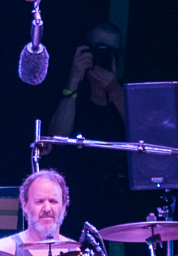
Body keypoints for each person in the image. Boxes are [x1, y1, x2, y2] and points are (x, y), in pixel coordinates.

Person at [45, 22, 131, 238]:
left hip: (119, 205)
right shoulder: (72, 90)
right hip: (77, 201)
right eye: (100, 49)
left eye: (112, 51)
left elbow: (142, 135)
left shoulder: (125, 91)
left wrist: (114, 90)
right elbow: (57, 139)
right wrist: (74, 80)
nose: (105, 56)